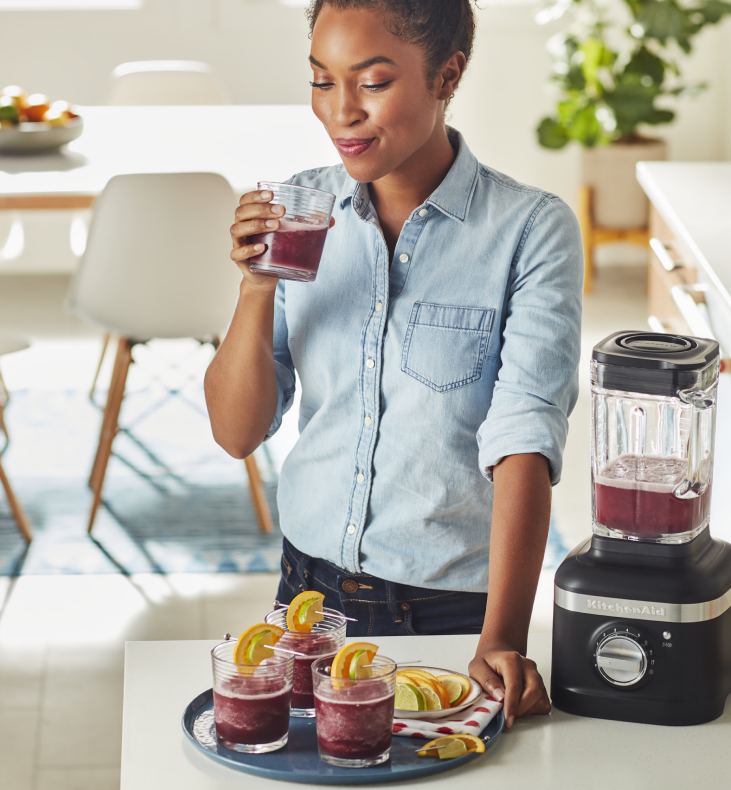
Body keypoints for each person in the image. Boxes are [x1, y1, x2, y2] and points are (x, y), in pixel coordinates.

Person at [204, 0, 581, 727]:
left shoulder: (529, 231)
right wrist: (255, 288)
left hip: (448, 612)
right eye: (322, 81)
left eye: (372, 83)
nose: (341, 111)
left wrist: (501, 638)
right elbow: (235, 432)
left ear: (447, 76)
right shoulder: (301, 212)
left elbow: (524, 440)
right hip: (306, 598)